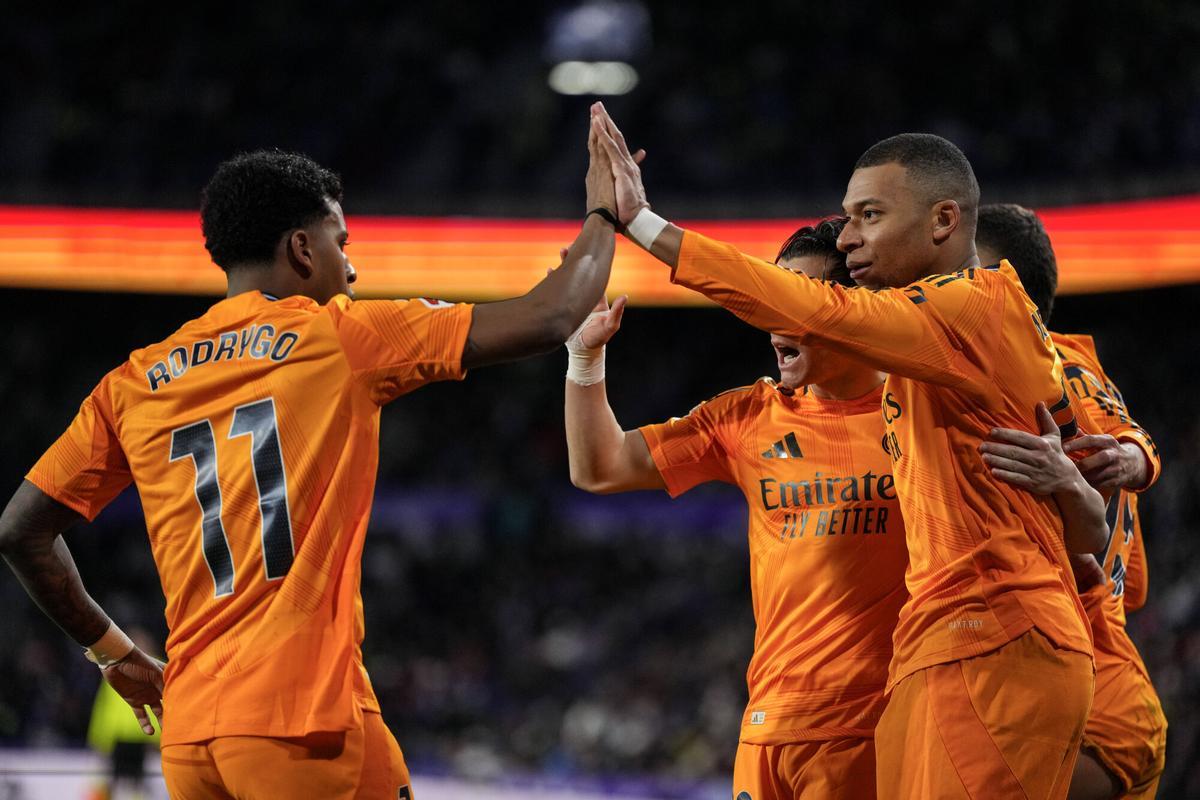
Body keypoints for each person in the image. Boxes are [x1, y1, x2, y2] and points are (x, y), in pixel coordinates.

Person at [0, 116, 623, 799]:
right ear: (301, 247)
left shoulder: (134, 380)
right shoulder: (340, 337)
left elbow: (20, 531)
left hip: (191, 740)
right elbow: (554, 313)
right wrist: (603, 209)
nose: (352, 266)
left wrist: (113, 654)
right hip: (304, 728)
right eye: (341, 242)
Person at [590, 103, 1108, 799]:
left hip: (993, 640)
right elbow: (1086, 534)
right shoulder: (916, 368)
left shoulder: (973, 307)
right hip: (936, 651)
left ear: (943, 221)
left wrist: (646, 224)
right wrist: (1080, 494)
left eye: (870, 216)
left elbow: (821, 311)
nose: (853, 236)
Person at [565, 218, 907, 799]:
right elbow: (600, 468)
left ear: (845, 308)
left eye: (791, 302)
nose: (773, 325)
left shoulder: (920, 411)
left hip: (871, 725)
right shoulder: (747, 417)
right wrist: (584, 359)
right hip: (765, 728)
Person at [976, 203, 1167, 800]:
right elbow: (1130, 586)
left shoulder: (1059, 370)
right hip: (1081, 675)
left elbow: (1125, 447)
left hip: (1090, 694)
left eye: (961, 274)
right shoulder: (1024, 372)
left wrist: (1133, 459)